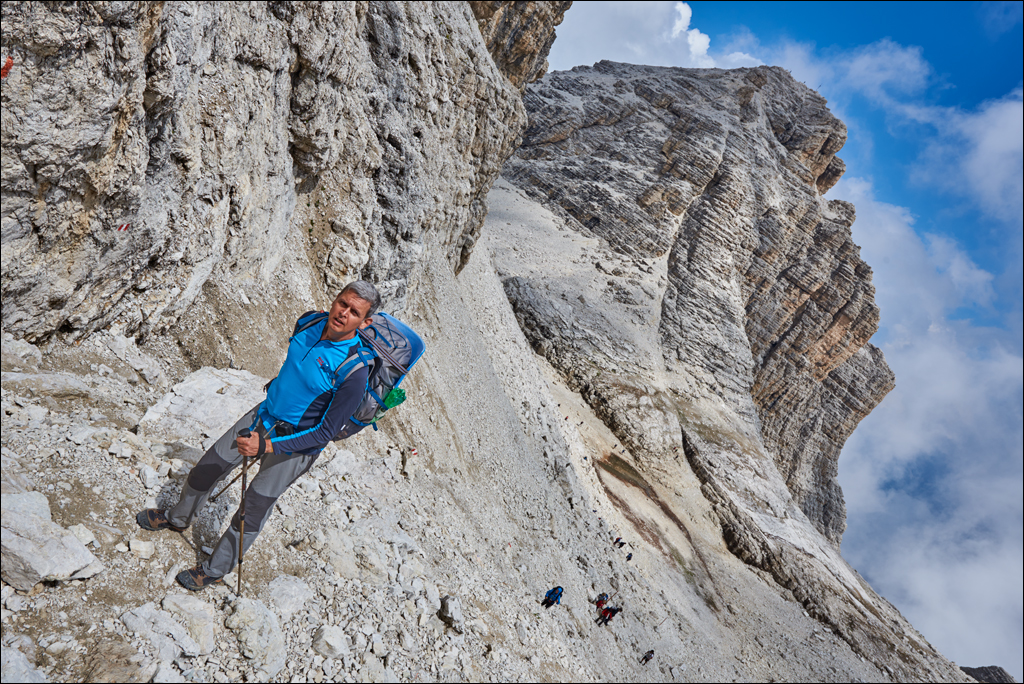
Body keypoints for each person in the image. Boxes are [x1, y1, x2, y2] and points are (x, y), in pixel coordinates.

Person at [136, 281, 382, 590]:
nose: (343, 313)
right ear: (334, 300)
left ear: (365, 322)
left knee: (252, 509)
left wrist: (265, 445)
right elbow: (295, 365)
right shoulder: (310, 320)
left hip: (295, 446)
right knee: (207, 467)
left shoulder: (354, 372)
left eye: (354, 312)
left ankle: (214, 569)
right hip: (263, 414)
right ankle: (177, 517)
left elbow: (324, 433)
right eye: (342, 303)